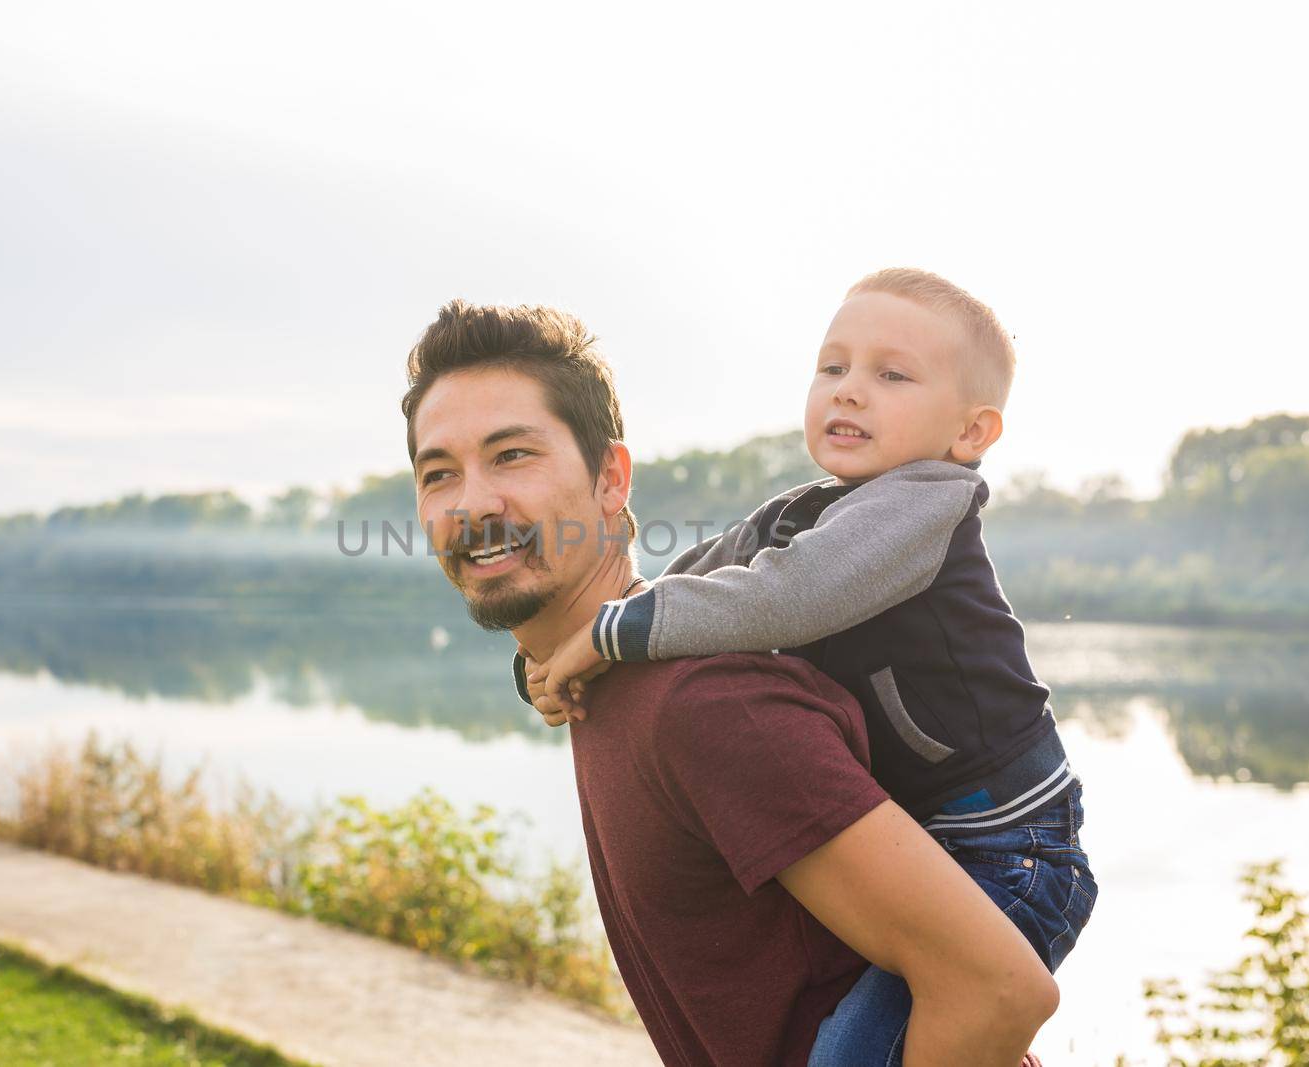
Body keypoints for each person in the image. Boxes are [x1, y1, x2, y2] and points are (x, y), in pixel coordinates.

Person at [402, 298, 1058, 1066]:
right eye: (438, 473)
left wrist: (612, 636)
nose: (472, 503)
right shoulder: (612, 690)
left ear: (611, 478)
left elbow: (999, 991)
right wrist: (555, 662)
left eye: (512, 455)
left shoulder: (703, 706)